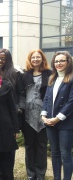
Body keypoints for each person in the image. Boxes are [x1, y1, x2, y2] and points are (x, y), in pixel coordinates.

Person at [41, 51, 73, 180]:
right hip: (50, 122)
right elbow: (47, 99)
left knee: (65, 154)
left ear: (68, 62)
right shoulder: (52, 78)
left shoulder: (71, 78)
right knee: (54, 153)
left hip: (66, 123)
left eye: (61, 61)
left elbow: (71, 101)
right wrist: (43, 115)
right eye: (56, 61)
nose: (58, 63)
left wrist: (58, 118)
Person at [22, 49, 51, 180]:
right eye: (33, 57)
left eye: (38, 57)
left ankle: (40, 175)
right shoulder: (24, 75)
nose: (35, 59)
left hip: (44, 116)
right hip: (27, 116)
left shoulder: (50, 74)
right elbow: (20, 94)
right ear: (30, 59)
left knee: (41, 146)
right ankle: (31, 174)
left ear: (42, 59)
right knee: (29, 146)